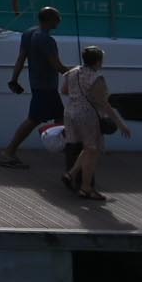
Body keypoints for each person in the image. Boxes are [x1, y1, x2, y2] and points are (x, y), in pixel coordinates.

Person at [0, 5, 67, 167]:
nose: (60, 20)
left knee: (61, 118)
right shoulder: (47, 40)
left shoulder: (28, 33)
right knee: (33, 120)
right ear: (50, 20)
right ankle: (9, 152)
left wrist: (14, 79)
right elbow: (57, 66)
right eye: (58, 18)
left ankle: (66, 148)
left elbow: (21, 58)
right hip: (46, 86)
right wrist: (77, 73)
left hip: (38, 84)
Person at [58, 45, 129, 201]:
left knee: (87, 148)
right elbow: (104, 104)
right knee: (93, 151)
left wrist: (78, 93)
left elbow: (64, 91)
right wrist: (120, 123)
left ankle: (72, 174)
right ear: (98, 61)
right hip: (87, 115)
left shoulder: (72, 72)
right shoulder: (97, 78)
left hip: (70, 113)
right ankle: (86, 187)